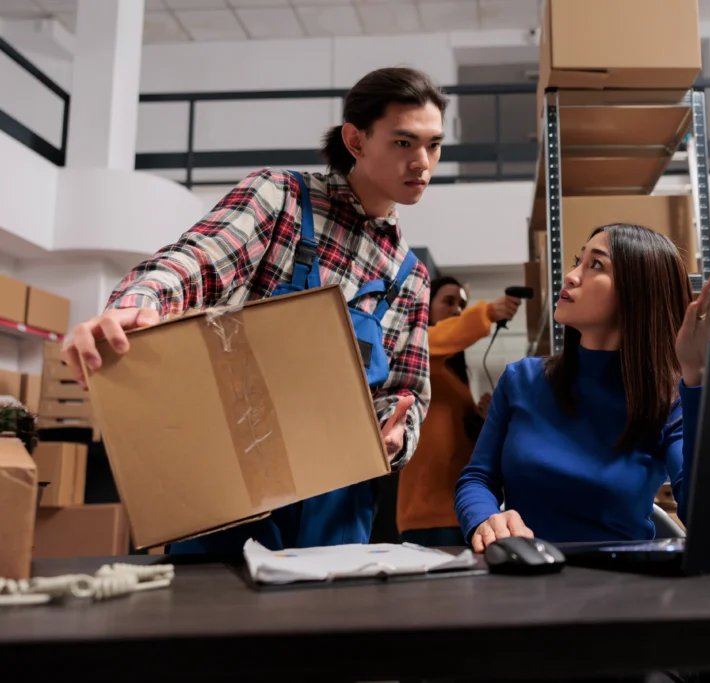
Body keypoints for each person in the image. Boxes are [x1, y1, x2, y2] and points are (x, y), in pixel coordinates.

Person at [61, 67, 449, 553]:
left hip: (337, 507)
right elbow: (198, 261)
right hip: (231, 485)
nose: (423, 162)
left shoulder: (410, 276)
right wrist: (137, 304)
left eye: (434, 145)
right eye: (403, 143)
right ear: (355, 140)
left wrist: (394, 438)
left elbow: (405, 391)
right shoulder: (281, 199)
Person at [454, 223, 710, 552]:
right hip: (525, 580)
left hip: (624, 589)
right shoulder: (521, 380)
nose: (572, 276)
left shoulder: (669, 401)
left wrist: (697, 376)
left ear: (638, 292)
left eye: (596, 265)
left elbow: (705, 516)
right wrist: (483, 518)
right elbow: (476, 478)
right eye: (578, 260)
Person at [396, 276, 522, 548]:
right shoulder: (418, 350)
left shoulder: (454, 374)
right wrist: (487, 312)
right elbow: (440, 337)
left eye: (461, 305)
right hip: (427, 512)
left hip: (458, 510)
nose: (456, 309)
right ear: (426, 307)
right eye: (448, 301)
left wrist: (482, 419)